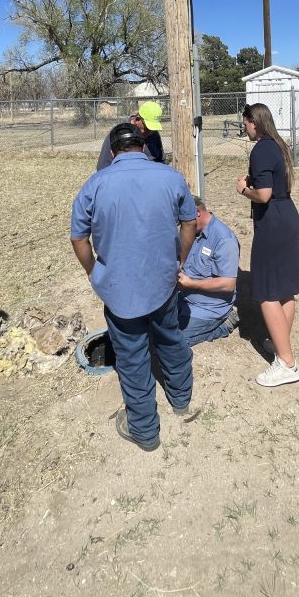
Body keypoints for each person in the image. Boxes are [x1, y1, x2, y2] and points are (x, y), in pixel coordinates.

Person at [71, 122, 197, 451]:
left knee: (132, 356)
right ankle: (181, 399)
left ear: (112, 153)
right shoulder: (170, 177)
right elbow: (190, 222)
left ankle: (144, 430)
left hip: (118, 291)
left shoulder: (94, 185)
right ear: (143, 147)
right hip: (163, 282)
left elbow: (78, 237)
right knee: (170, 337)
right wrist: (179, 259)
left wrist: (92, 272)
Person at [238, 103, 299, 387]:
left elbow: (263, 195)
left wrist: (243, 189)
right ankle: (280, 342)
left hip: (272, 220)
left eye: (245, 123)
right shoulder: (278, 145)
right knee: (284, 288)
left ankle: (287, 363)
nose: (244, 128)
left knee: (266, 291)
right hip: (286, 214)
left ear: (254, 121)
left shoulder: (261, 149)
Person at [177, 197, 240, 346]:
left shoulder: (224, 240)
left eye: (183, 222)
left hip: (208, 308)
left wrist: (190, 284)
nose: (182, 227)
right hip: (183, 299)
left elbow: (228, 284)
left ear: (197, 213)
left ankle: (226, 324)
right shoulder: (191, 232)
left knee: (174, 343)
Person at [96, 101, 165, 171]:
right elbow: (103, 167)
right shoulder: (118, 133)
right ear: (137, 120)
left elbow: (161, 161)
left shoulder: (154, 134)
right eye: (147, 128)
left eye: (153, 129)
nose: (150, 132)